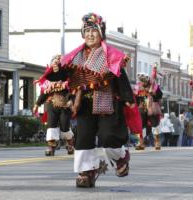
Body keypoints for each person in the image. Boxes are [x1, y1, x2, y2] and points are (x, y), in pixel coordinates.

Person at [47, 13, 135, 188]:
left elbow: (120, 76)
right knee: (84, 138)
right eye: (86, 31)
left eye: (93, 30)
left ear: (101, 33)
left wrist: (127, 97)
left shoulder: (110, 54)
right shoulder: (76, 56)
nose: (90, 34)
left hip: (107, 101)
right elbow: (63, 74)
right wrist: (55, 69)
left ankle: (120, 158)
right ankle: (87, 172)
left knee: (108, 136)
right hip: (84, 103)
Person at [33, 55, 75, 156]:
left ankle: (70, 144)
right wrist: (37, 104)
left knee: (65, 126)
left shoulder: (68, 78)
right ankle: (51, 146)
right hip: (51, 104)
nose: (56, 65)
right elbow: (44, 93)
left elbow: (73, 91)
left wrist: (71, 100)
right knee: (51, 125)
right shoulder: (48, 79)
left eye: (58, 63)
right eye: (54, 63)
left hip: (64, 104)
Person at [134, 66, 163, 150]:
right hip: (142, 108)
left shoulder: (154, 86)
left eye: (144, 81)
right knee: (140, 126)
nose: (143, 83)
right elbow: (135, 97)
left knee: (155, 125)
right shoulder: (138, 86)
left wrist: (154, 94)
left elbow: (160, 96)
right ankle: (141, 142)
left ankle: (157, 142)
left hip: (152, 107)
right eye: (141, 81)